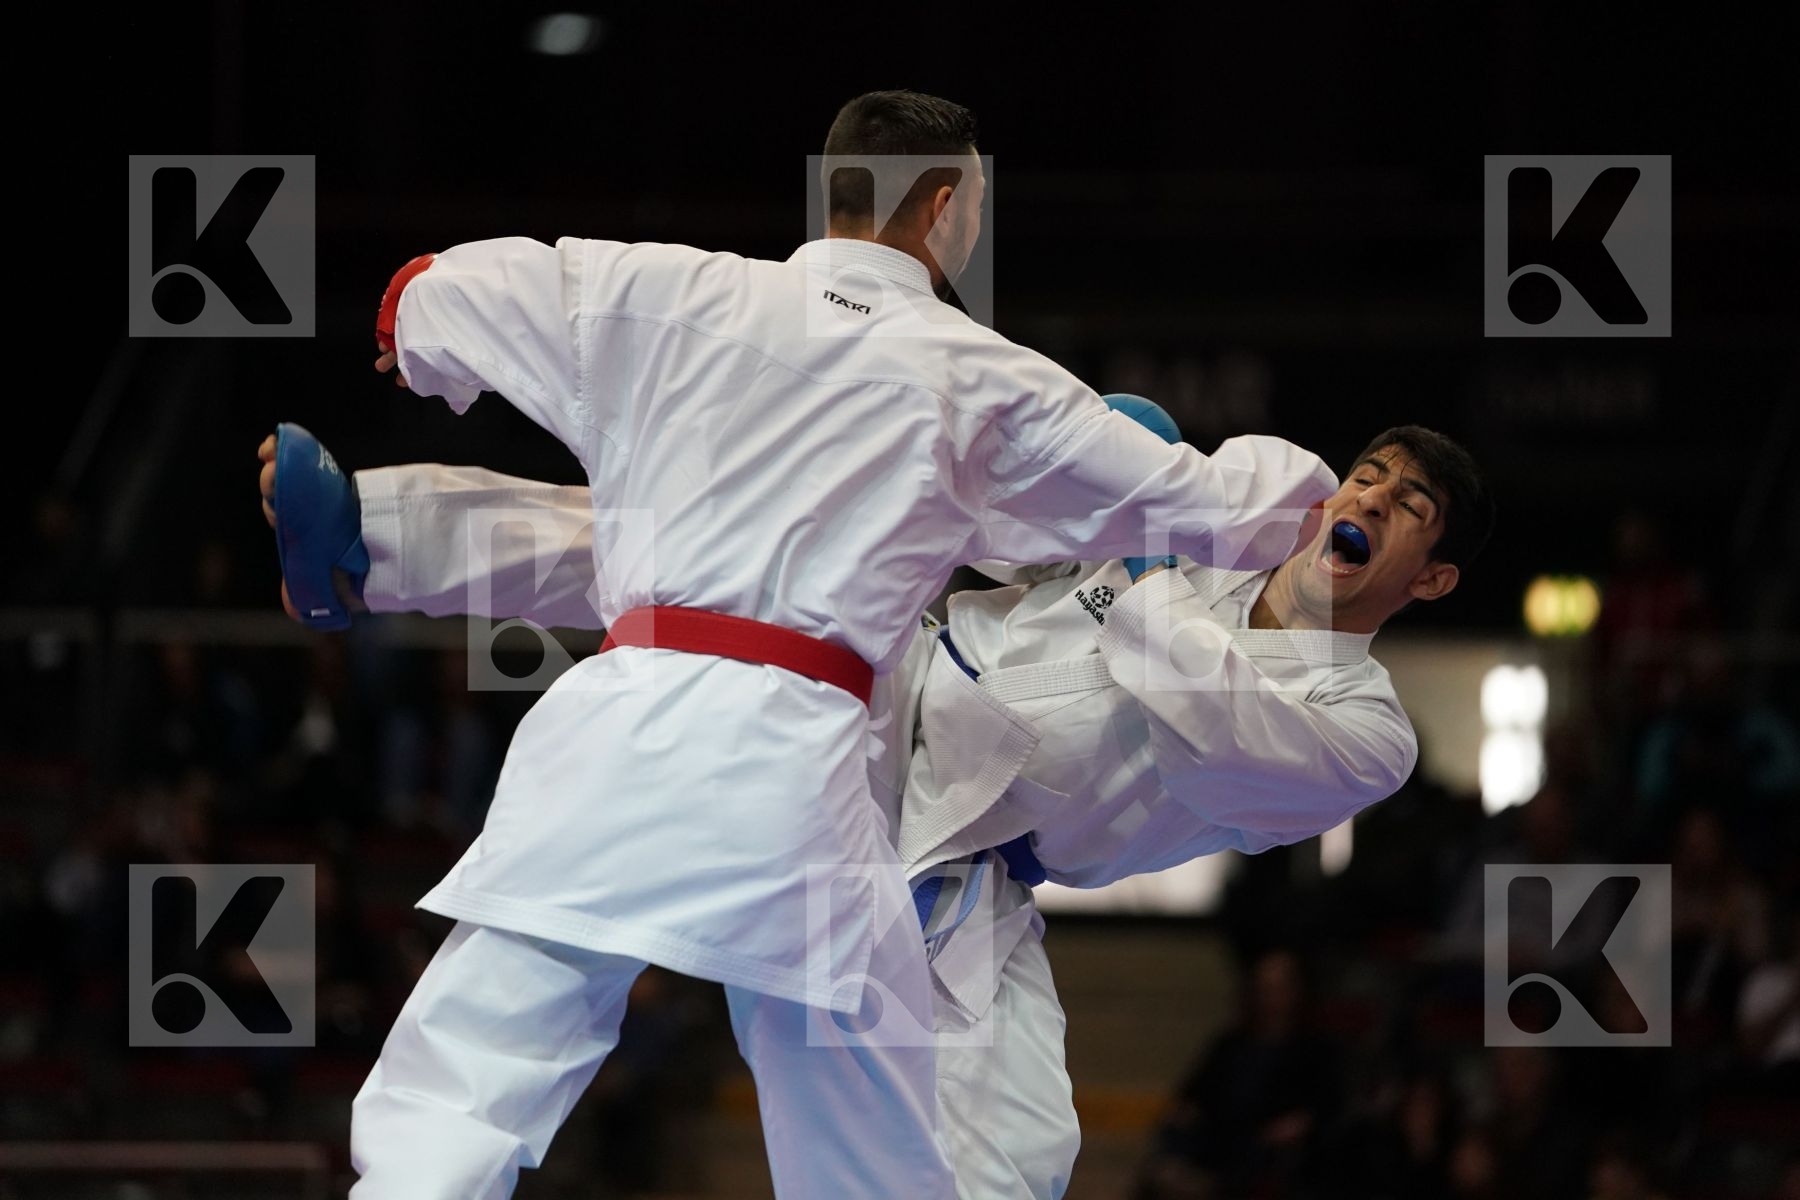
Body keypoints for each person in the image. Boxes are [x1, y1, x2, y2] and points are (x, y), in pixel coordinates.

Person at [282, 87, 1337, 1200]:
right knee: (863, 1120)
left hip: (621, 715)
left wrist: (417, 337)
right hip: (800, 761)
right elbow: (1203, 502)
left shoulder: (663, 287)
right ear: (945, 206)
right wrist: (1319, 507)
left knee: (479, 1059)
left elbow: (438, 290)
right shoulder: (980, 370)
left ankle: (372, 535)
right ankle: (373, 537)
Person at [262, 407, 1490, 1198]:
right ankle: (371, 532)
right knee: (692, 547)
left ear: (1427, 576)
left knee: (1020, 1156)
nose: (1369, 502)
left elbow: (1200, 701)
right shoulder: (1219, 521)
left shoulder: (1362, 730)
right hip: (881, 675)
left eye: (1404, 510)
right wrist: (1108, 498)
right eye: (1369, 478)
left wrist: (1151, 542)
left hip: (959, 854)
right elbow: (1011, 543)